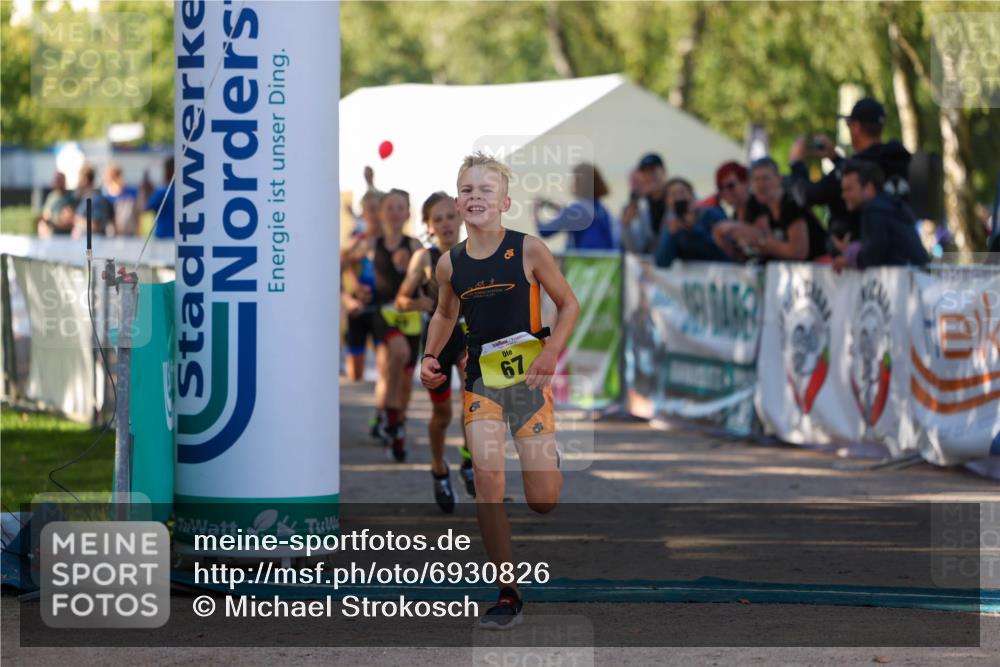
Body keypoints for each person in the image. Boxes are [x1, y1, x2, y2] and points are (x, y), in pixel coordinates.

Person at [421, 153, 579, 629]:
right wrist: (431, 357)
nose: (475, 198)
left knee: (543, 500)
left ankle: (549, 463)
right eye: (467, 190)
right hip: (482, 383)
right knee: (488, 484)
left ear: (504, 202)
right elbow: (446, 315)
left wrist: (551, 355)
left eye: (486, 190)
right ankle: (507, 592)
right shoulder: (450, 264)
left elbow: (568, 304)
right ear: (457, 200)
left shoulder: (529, 249)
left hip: (528, 381)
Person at [396, 192, 475, 510]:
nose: (445, 224)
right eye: (437, 219)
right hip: (437, 340)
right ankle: (439, 469)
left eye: (449, 216)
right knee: (441, 415)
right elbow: (401, 300)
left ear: (460, 218)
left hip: (469, 335)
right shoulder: (423, 259)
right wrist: (417, 302)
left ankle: (469, 461)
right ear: (428, 226)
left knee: (474, 398)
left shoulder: (475, 252)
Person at [789, 97, 911, 245]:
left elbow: (806, 195)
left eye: (849, 124)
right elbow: (867, 166)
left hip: (859, 252)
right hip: (897, 245)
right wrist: (835, 159)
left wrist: (796, 164)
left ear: (856, 127)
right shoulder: (900, 159)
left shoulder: (857, 168)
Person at [372, 189, 424, 462]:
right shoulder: (372, 244)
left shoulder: (414, 246)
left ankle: (395, 421)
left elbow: (427, 276)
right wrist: (354, 289)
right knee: (397, 355)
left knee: (404, 378)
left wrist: (414, 273)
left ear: (407, 213)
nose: (394, 212)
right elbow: (344, 260)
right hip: (384, 314)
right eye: (389, 207)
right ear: (381, 213)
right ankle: (389, 421)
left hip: (411, 316)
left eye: (400, 207)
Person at [713, 157, 828, 263]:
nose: (760, 185)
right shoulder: (766, 209)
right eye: (756, 180)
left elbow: (798, 252)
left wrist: (760, 240)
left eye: (765, 178)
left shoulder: (791, 204)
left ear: (779, 178)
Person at [834, 160, 929, 270]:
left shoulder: (875, 211)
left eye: (849, 189)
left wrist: (849, 259)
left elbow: (873, 257)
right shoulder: (890, 205)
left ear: (869, 188)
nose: (843, 195)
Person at [341, 189, 384, 386]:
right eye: (372, 210)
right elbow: (342, 266)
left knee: (385, 366)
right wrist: (353, 292)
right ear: (364, 214)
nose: (377, 215)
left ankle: (383, 410)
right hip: (359, 304)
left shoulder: (392, 240)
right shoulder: (357, 240)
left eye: (380, 210)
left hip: (382, 306)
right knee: (355, 373)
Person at [533, 163, 618, 250]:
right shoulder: (602, 210)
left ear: (577, 183)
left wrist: (535, 211)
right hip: (606, 261)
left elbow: (544, 231)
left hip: (583, 262)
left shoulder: (576, 209)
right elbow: (573, 214)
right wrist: (550, 204)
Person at [654, 177, 729, 267]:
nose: (679, 198)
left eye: (682, 193)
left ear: (692, 195)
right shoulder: (671, 226)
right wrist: (670, 235)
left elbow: (723, 252)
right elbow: (662, 262)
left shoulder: (712, 215)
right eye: (673, 195)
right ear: (667, 201)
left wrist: (693, 228)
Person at [621, 153, 669, 254]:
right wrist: (626, 226)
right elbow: (636, 249)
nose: (649, 176)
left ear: (664, 172)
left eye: (653, 171)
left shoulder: (681, 198)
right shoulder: (639, 207)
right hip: (650, 267)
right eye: (644, 172)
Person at [101, 163, 140, 236]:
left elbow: (137, 214)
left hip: (129, 233)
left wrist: (138, 231)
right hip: (112, 234)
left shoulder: (130, 193)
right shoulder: (105, 195)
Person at [73, 164, 113, 236]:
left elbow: (94, 225)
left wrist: (75, 220)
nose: (78, 182)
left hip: (95, 244)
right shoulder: (84, 199)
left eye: (80, 179)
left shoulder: (97, 200)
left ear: (85, 180)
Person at [141, 157, 175, 239]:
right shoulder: (182, 192)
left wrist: (145, 191)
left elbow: (145, 207)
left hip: (163, 237)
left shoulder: (162, 192)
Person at [36, 172, 77, 237]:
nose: (57, 183)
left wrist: (54, 221)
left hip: (65, 235)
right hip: (51, 234)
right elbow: (46, 214)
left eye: (59, 180)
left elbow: (69, 219)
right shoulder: (51, 196)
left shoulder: (70, 197)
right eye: (56, 180)